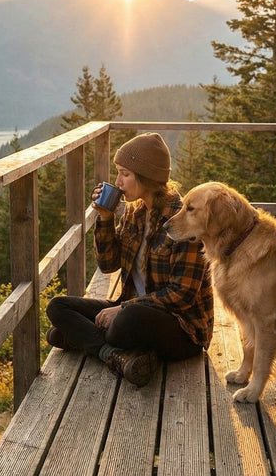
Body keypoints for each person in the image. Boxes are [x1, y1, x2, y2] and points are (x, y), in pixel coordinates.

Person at [45, 132, 213, 386]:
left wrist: (122, 308)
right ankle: (113, 355)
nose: (117, 181)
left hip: (182, 328)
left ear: (146, 177)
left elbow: (183, 294)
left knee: (113, 324)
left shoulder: (183, 221)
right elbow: (108, 264)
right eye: (118, 173)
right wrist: (104, 217)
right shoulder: (134, 213)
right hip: (133, 311)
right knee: (57, 307)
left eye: (125, 174)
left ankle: (88, 340)